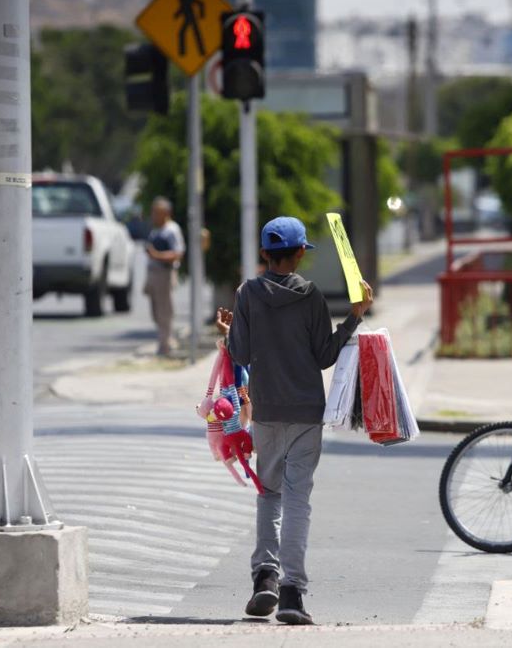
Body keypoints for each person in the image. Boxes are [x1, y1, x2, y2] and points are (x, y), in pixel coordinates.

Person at [220, 216, 373, 625]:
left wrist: (230, 331)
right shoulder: (311, 296)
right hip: (306, 412)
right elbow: (325, 355)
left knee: (268, 494)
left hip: (267, 412)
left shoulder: (247, 294)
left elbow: (240, 354)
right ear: (301, 252)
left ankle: (264, 578)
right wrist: (354, 318)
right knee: (297, 499)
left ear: (265, 254)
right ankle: (292, 592)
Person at [143, 197, 185, 356]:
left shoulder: (171, 230)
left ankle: (165, 345)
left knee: (164, 311)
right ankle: (165, 341)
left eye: (157, 213)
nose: (153, 216)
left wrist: (156, 255)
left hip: (164, 273)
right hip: (153, 274)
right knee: (155, 312)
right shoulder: (156, 230)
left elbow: (177, 253)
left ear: (166, 213)